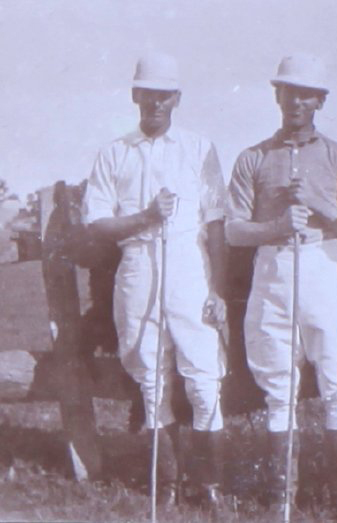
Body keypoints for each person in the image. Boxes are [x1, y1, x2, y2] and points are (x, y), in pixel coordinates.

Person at [225, 53, 337, 521]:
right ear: (277, 96)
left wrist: (319, 207)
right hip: (273, 268)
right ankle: (280, 497)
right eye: (288, 92)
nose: (296, 102)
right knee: (278, 387)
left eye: (306, 94)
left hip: (325, 264)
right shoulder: (253, 158)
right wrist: (275, 226)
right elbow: (232, 230)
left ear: (320, 101)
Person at [82, 52, 228, 508]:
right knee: (151, 376)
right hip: (138, 263)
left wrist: (219, 289)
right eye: (148, 94)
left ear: (177, 98)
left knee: (204, 375)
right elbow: (97, 224)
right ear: (135, 96)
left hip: (188, 263)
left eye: (165, 95)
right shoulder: (114, 153)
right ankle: (166, 482)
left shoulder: (199, 148)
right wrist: (144, 217)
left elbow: (218, 224)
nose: (156, 103)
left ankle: (209, 485)